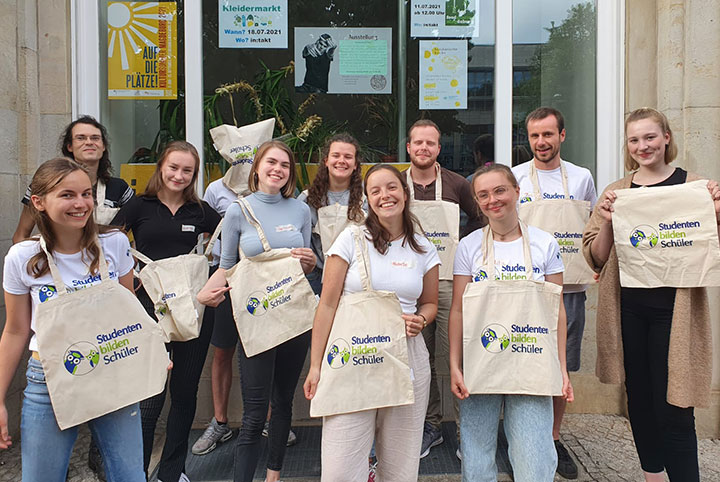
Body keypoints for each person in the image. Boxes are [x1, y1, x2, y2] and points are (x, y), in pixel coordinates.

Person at [582, 108, 720, 482]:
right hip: (629, 309)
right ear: (628, 146)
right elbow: (595, 256)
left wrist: (717, 212)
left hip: (675, 312)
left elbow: (711, 247)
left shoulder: (696, 188)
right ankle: (652, 476)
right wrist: (608, 220)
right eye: (634, 140)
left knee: (675, 407)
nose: (643, 146)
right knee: (640, 402)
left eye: (650, 137)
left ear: (666, 138)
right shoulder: (617, 192)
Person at [0, 157, 144, 482]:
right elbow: (15, 331)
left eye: (86, 194)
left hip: (114, 371)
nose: (81, 204)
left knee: (130, 476)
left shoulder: (114, 244)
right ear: (39, 202)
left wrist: (150, 354)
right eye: (67, 195)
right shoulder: (22, 257)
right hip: (48, 379)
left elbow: (130, 313)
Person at [303, 164, 440, 481]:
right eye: (375, 190)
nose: (384, 195)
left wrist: (421, 319)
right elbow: (326, 305)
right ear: (367, 200)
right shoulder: (350, 240)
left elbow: (430, 303)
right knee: (341, 465)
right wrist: (316, 365)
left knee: (401, 464)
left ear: (404, 193)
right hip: (353, 355)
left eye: (391, 187)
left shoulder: (424, 248)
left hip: (408, 358)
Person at [197, 140, 315, 482]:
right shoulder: (238, 210)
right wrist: (204, 294)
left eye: (285, 165)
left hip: (293, 319)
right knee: (252, 414)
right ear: (258, 168)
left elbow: (304, 266)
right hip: (255, 318)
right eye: (271, 163)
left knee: (283, 405)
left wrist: (310, 262)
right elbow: (229, 265)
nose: (278, 170)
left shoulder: (300, 210)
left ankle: (273, 476)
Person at [449, 163, 573, 482]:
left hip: (532, 362)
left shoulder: (544, 244)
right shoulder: (469, 246)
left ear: (517, 192)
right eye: (484, 195)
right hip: (480, 363)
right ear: (477, 202)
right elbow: (459, 310)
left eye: (500, 190)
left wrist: (561, 369)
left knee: (534, 455)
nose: (493, 200)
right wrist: (454, 365)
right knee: (476, 457)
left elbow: (556, 309)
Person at [112, 141, 221, 482]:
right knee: (149, 397)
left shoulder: (200, 211)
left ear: (194, 174)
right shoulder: (139, 207)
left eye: (187, 170)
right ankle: (138, 471)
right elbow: (108, 245)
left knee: (185, 391)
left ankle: (173, 471)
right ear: (161, 167)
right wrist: (128, 280)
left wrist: (216, 281)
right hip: (148, 311)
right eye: (173, 167)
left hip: (193, 310)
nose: (179, 175)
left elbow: (231, 247)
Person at [512, 106, 597, 479]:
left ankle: (553, 437)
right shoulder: (514, 178)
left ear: (562, 135)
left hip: (569, 288)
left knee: (561, 365)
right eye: (534, 135)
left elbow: (592, 227)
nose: (541, 142)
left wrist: (596, 266)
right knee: (520, 358)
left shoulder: (581, 177)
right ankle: (519, 439)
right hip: (520, 288)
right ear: (528, 139)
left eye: (548, 134)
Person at [404, 119, 483, 459]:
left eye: (431, 143)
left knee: (456, 357)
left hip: (451, 280)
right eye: (417, 142)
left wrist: (463, 248)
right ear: (408, 147)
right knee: (419, 359)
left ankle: (468, 430)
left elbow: (479, 218)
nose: (424, 148)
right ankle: (431, 425)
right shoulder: (396, 184)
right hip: (409, 283)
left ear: (439, 148)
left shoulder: (456, 184)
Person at [12, 116, 134, 244]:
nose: (89, 142)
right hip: (56, 260)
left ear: (103, 146)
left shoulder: (119, 188)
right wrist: (26, 259)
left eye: (95, 138)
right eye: (81, 138)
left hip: (107, 261)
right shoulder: (47, 185)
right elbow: (21, 235)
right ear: (69, 146)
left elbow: (138, 231)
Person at [297, 132, 367, 295]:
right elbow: (301, 244)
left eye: (348, 157)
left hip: (356, 281)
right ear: (326, 161)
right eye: (336, 155)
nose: (342, 161)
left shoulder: (367, 198)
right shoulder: (307, 199)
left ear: (355, 164)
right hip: (316, 280)